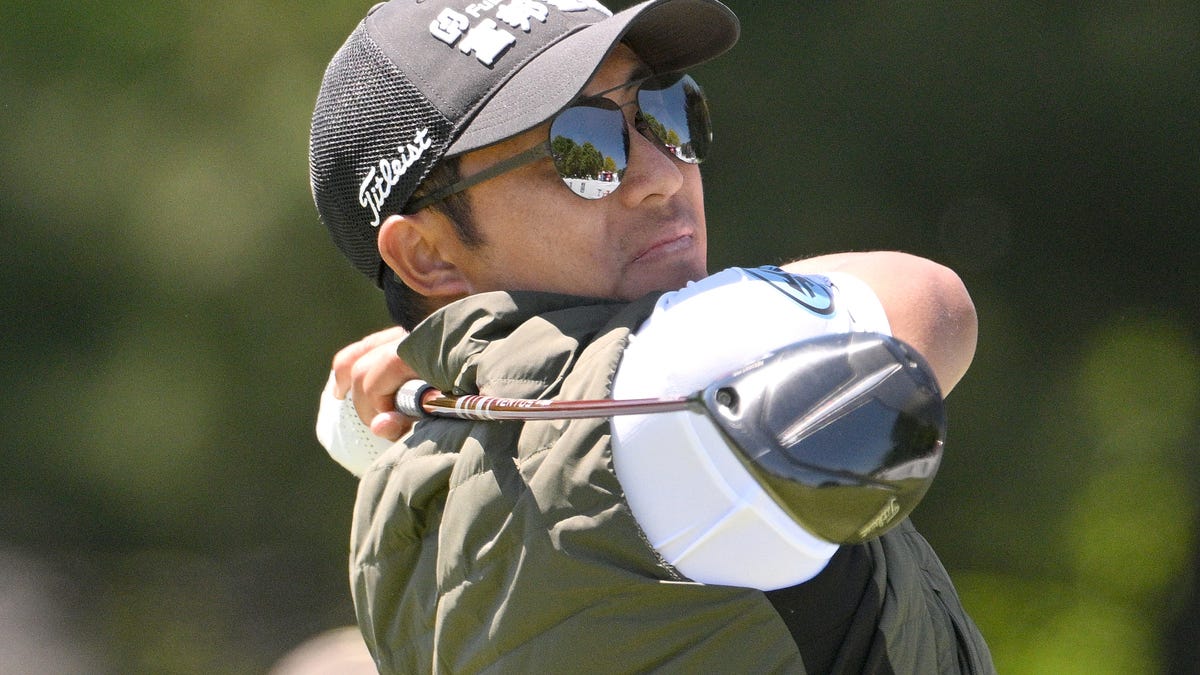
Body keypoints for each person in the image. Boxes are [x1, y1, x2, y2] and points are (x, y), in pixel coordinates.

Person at [308, 0, 994, 672]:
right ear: (427, 256)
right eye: (579, 149)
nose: (663, 176)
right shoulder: (660, 391)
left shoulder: (405, 508)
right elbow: (935, 304)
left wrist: (441, 358)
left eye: (665, 113)